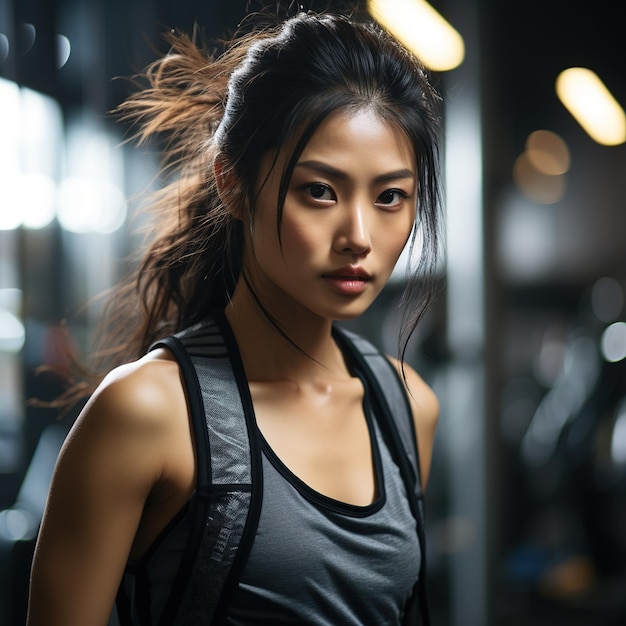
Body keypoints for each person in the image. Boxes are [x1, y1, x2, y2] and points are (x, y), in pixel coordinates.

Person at [27, 8, 443, 626]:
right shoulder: (146, 412)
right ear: (233, 183)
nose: (359, 236)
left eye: (390, 197)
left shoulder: (407, 408)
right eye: (320, 191)